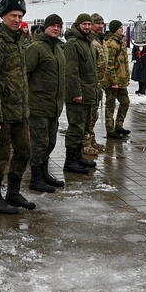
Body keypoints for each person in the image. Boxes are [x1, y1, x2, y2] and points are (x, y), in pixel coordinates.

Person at [0, 0, 34, 214]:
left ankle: (13, 191)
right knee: (0, 155)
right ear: (3, 17)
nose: (17, 20)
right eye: (13, 16)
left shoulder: (19, 39)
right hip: (2, 111)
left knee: (24, 150)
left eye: (20, 16)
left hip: (20, 109)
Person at [25, 14, 67, 192]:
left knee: (49, 142)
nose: (56, 29)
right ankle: (36, 178)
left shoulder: (58, 49)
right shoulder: (36, 48)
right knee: (39, 144)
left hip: (54, 106)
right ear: (45, 27)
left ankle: (44, 174)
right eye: (52, 26)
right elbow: (24, 74)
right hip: (38, 105)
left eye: (58, 26)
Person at [63, 13, 98, 174]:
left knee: (83, 128)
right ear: (77, 25)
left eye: (89, 24)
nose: (87, 27)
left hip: (88, 93)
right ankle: (69, 161)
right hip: (78, 95)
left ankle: (77, 157)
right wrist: (76, 92)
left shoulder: (87, 41)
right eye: (84, 24)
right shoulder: (73, 43)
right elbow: (71, 71)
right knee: (75, 128)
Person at [84, 13, 108, 155]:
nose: (100, 26)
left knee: (94, 113)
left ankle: (91, 140)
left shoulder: (101, 40)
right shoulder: (90, 41)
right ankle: (85, 142)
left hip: (99, 83)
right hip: (91, 83)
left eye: (101, 23)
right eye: (97, 23)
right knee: (89, 114)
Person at [104, 20, 131, 139]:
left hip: (121, 80)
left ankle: (119, 125)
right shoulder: (111, 44)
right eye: (120, 28)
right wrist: (113, 81)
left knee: (125, 102)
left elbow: (124, 63)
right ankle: (110, 129)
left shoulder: (121, 42)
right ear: (114, 29)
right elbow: (109, 64)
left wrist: (126, 78)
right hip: (112, 81)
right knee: (110, 105)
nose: (122, 29)